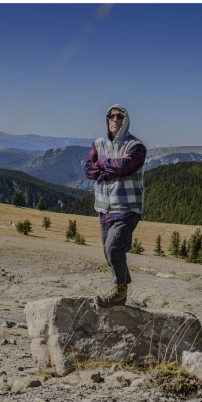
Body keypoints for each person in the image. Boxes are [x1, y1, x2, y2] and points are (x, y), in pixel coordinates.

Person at [84, 104, 147, 307]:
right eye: (111, 116)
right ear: (107, 119)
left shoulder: (136, 146)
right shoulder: (98, 143)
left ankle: (119, 291)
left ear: (125, 121)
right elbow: (88, 169)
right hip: (104, 207)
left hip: (127, 206)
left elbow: (126, 166)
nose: (115, 120)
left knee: (113, 248)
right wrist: (110, 166)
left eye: (120, 117)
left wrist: (101, 164)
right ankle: (121, 291)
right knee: (109, 251)